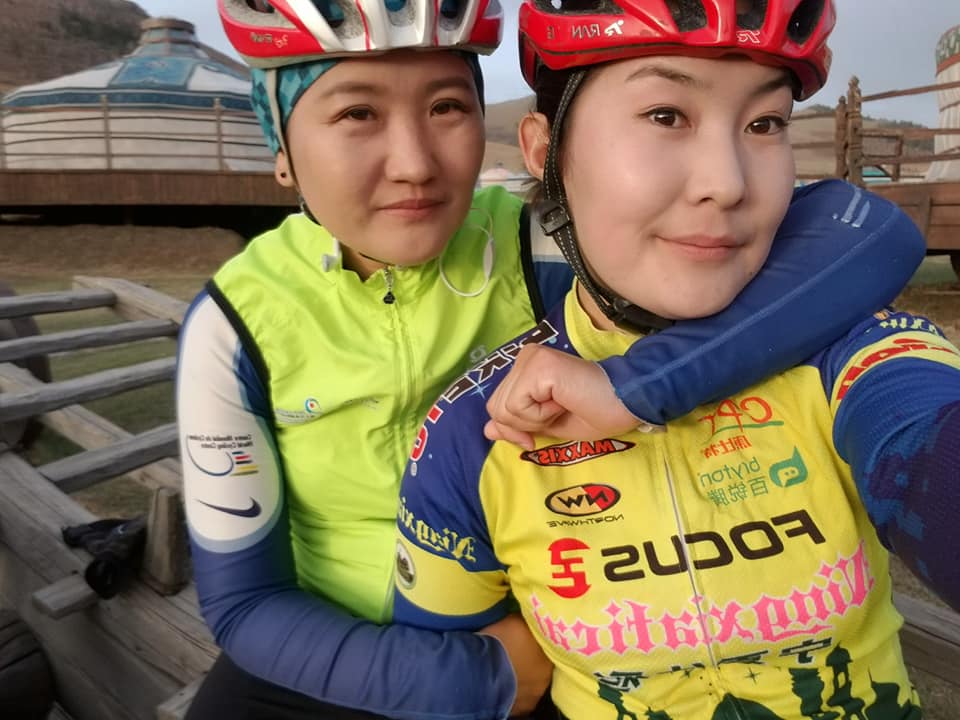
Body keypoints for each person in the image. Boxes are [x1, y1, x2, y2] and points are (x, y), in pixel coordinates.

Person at [177, 0, 924, 717]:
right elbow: (244, 603)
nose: (414, 164)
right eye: (357, 115)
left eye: (447, 107)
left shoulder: (544, 243)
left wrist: (635, 385)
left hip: (561, 630)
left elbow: (867, 236)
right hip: (349, 651)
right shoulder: (234, 322)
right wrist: (471, 678)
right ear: (281, 145)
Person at [393, 0, 960, 717]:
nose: (728, 182)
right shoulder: (477, 427)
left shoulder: (850, 350)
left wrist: (633, 387)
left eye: (765, 124)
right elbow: (444, 669)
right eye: (666, 115)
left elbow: (924, 442)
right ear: (544, 151)